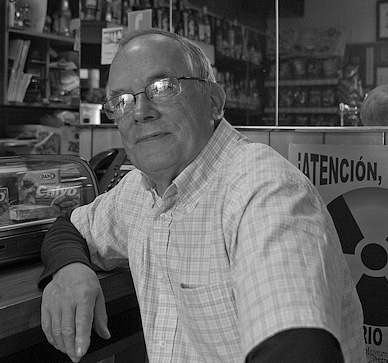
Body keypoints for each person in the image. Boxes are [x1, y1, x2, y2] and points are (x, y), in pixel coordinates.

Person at [38, 28, 365, 363]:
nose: (140, 112)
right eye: (122, 100)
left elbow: (299, 350)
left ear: (214, 103)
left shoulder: (265, 190)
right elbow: (69, 228)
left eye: (162, 87)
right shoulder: (140, 190)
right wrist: (71, 270)